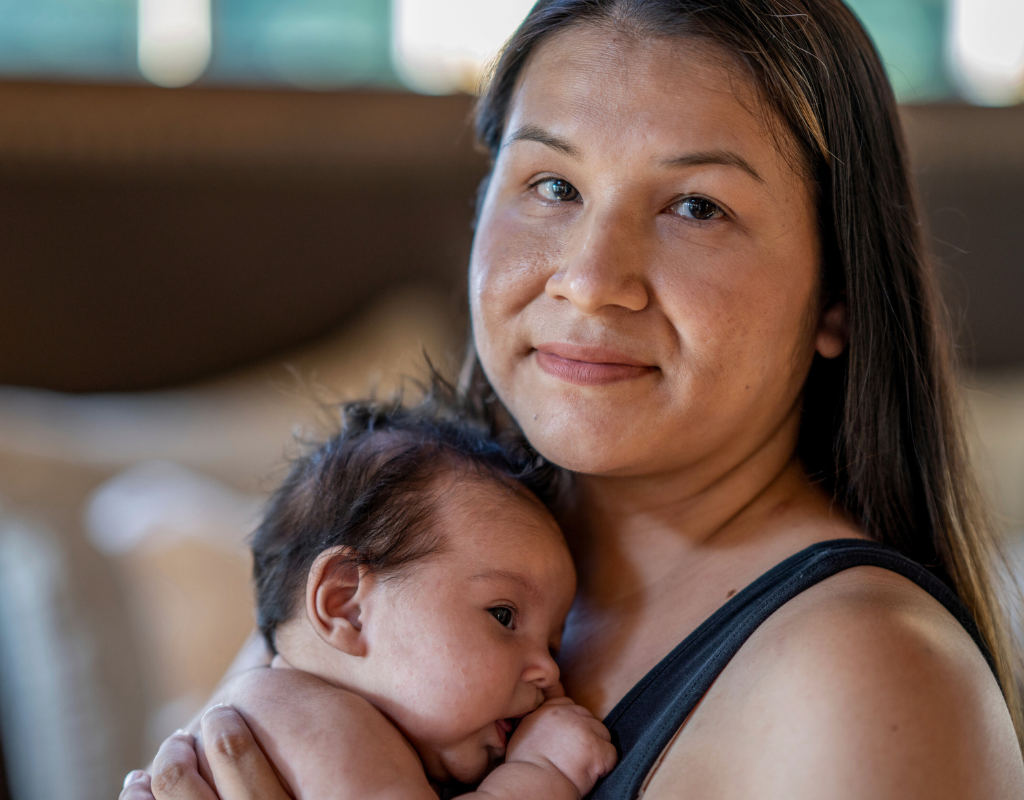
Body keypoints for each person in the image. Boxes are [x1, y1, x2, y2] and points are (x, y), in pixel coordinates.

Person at [123, 1, 1024, 797]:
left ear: (839, 294)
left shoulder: (869, 680)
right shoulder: (387, 565)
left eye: (697, 207)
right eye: (553, 186)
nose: (592, 281)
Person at [212, 396, 615, 798]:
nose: (549, 672)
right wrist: (541, 771)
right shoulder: (312, 722)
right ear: (348, 607)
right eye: (503, 616)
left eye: (552, 644)